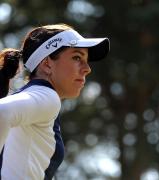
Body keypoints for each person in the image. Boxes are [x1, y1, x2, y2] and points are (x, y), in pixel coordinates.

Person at [0, 23, 110, 180]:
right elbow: (2, 112)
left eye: (86, 60)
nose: (87, 68)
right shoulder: (47, 96)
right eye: (77, 57)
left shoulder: (33, 97)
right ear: (47, 64)